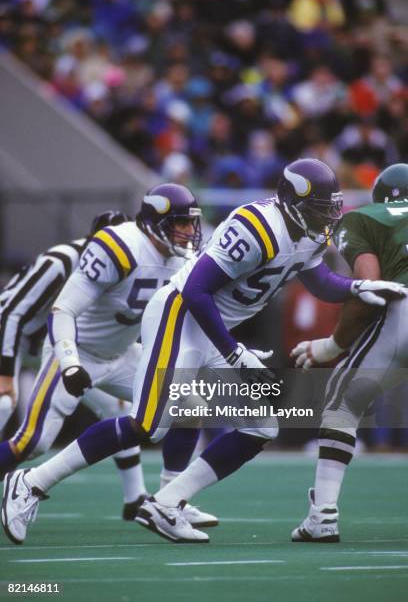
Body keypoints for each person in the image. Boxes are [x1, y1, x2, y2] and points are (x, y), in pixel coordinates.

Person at [2, 160, 405, 545]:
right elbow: (196, 289)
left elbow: (317, 278)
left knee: (260, 426)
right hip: (179, 316)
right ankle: (31, 482)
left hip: (211, 327)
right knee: (148, 423)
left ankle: (165, 502)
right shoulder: (256, 226)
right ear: (293, 203)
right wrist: (232, 354)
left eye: (329, 208)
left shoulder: (310, 233)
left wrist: (355, 289)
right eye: (319, 208)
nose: (326, 217)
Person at [1, 188, 217, 542]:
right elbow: (63, 311)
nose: (188, 232)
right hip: (78, 351)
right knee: (33, 442)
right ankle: (23, 486)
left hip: (122, 354)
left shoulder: (183, 258)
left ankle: (168, 500)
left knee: (190, 404)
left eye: (190, 223)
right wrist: (69, 362)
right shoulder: (121, 246)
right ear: (154, 222)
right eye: (180, 223)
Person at [290, 163, 408, 542]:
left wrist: (331, 346)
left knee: (342, 402)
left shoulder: (365, 219)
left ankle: (322, 514)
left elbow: (370, 289)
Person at [0, 210, 126, 437]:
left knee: (117, 410)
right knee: (5, 404)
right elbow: (11, 314)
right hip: (11, 336)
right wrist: (6, 374)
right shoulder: (61, 260)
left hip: (46, 343)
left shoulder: (124, 269)